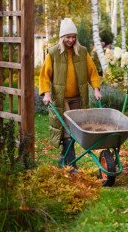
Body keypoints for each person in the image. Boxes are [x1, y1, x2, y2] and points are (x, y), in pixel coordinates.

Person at [39, 18, 102, 168]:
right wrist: (46, 93)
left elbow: (92, 72)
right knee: (68, 130)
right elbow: (44, 75)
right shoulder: (53, 53)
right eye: (68, 37)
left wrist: (96, 89)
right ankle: (71, 166)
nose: (71, 40)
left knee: (76, 129)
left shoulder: (82, 52)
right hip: (62, 99)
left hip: (78, 97)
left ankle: (64, 160)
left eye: (73, 37)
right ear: (62, 37)